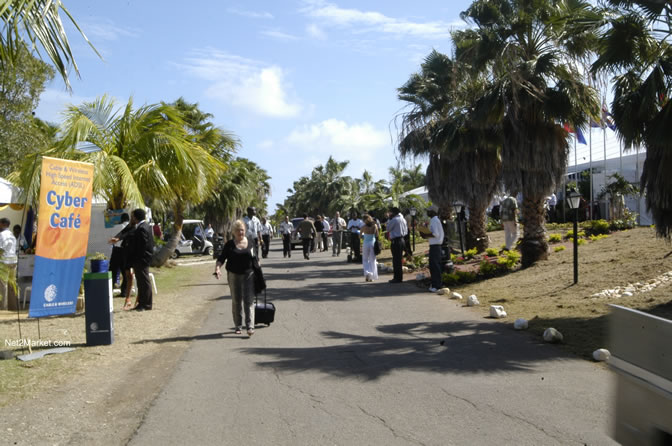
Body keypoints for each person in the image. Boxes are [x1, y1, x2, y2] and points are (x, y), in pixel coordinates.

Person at [214, 219, 255, 336]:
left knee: (248, 300)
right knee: (237, 300)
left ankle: (250, 326)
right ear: (233, 232)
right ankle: (238, 325)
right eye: (238, 231)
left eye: (242, 230)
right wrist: (217, 268)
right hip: (233, 274)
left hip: (249, 274)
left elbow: (255, 259)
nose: (240, 232)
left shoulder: (251, 243)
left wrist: (259, 273)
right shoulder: (229, 245)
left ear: (245, 230)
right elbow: (221, 258)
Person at [128, 209, 154, 311]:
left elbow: (142, 246)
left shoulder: (142, 228)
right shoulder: (145, 226)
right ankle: (141, 303)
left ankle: (146, 304)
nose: (132, 218)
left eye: (133, 216)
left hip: (141, 260)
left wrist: (138, 258)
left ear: (136, 217)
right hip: (142, 259)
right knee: (141, 282)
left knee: (143, 282)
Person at [423, 205, 444, 292]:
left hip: (435, 246)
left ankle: (437, 285)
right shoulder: (434, 220)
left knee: (435, 266)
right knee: (434, 266)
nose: (427, 212)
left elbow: (435, 234)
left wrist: (426, 234)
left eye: (429, 211)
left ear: (433, 212)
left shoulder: (434, 220)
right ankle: (435, 284)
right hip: (434, 245)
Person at [386, 206, 408, 283]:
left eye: (390, 212)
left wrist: (389, 219)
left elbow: (387, 228)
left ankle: (397, 278)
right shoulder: (403, 219)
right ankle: (399, 277)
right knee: (399, 258)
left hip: (396, 240)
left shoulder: (394, 220)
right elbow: (406, 231)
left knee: (396, 260)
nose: (389, 214)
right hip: (402, 239)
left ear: (393, 213)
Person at [0, 218, 17, 311]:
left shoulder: (1, 235)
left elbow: (1, 250)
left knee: (3, 286)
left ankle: (3, 308)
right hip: (13, 262)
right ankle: (13, 307)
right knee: (12, 284)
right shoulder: (12, 235)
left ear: (2, 224)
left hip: (4, 263)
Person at [108, 213, 130, 288]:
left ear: (121, 219)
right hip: (125, 251)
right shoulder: (131, 227)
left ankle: (110, 288)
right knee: (125, 272)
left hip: (116, 250)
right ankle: (124, 291)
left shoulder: (116, 227)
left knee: (112, 271)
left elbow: (112, 237)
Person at [360, 214, 379, 282]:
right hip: (372, 243)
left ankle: (367, 273)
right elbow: (377, 235)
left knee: (365, 259)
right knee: (373, 260)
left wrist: (364, 236)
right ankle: (372, 275)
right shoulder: (375, 225)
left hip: (366, 243)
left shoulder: (363, 227)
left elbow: (360, 236)